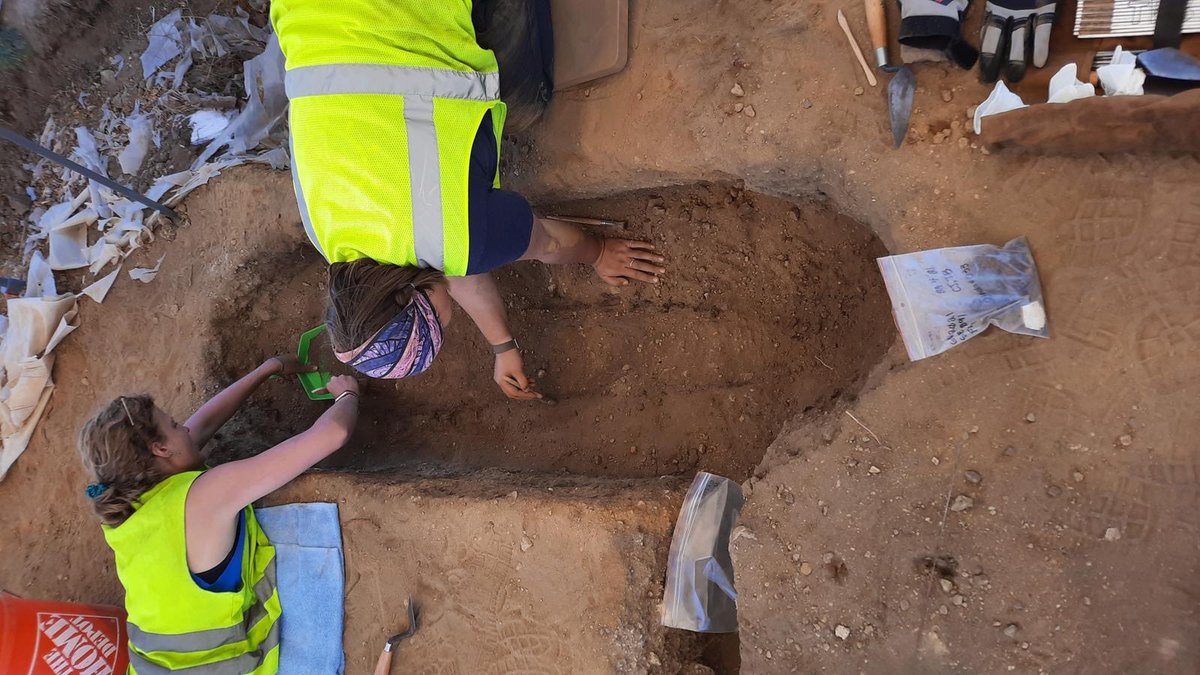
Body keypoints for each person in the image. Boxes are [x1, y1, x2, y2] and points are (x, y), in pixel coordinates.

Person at [271, 0, 668, 400]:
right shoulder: (329, 236)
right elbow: (452, 266)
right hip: (308, 17)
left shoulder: (458, 238)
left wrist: (598, 253)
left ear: (416, 294)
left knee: (526, 103)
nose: (449, 324)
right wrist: (503, 346)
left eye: (441, 325)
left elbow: (547, 242)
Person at [78, 355, 360, 674]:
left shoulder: (131, 498)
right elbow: (334, 433)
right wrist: (347, 394)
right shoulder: (205, 497)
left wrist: (268, 368)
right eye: (173, 425)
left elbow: (205, 424)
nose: (184, 426)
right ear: (160, 449)